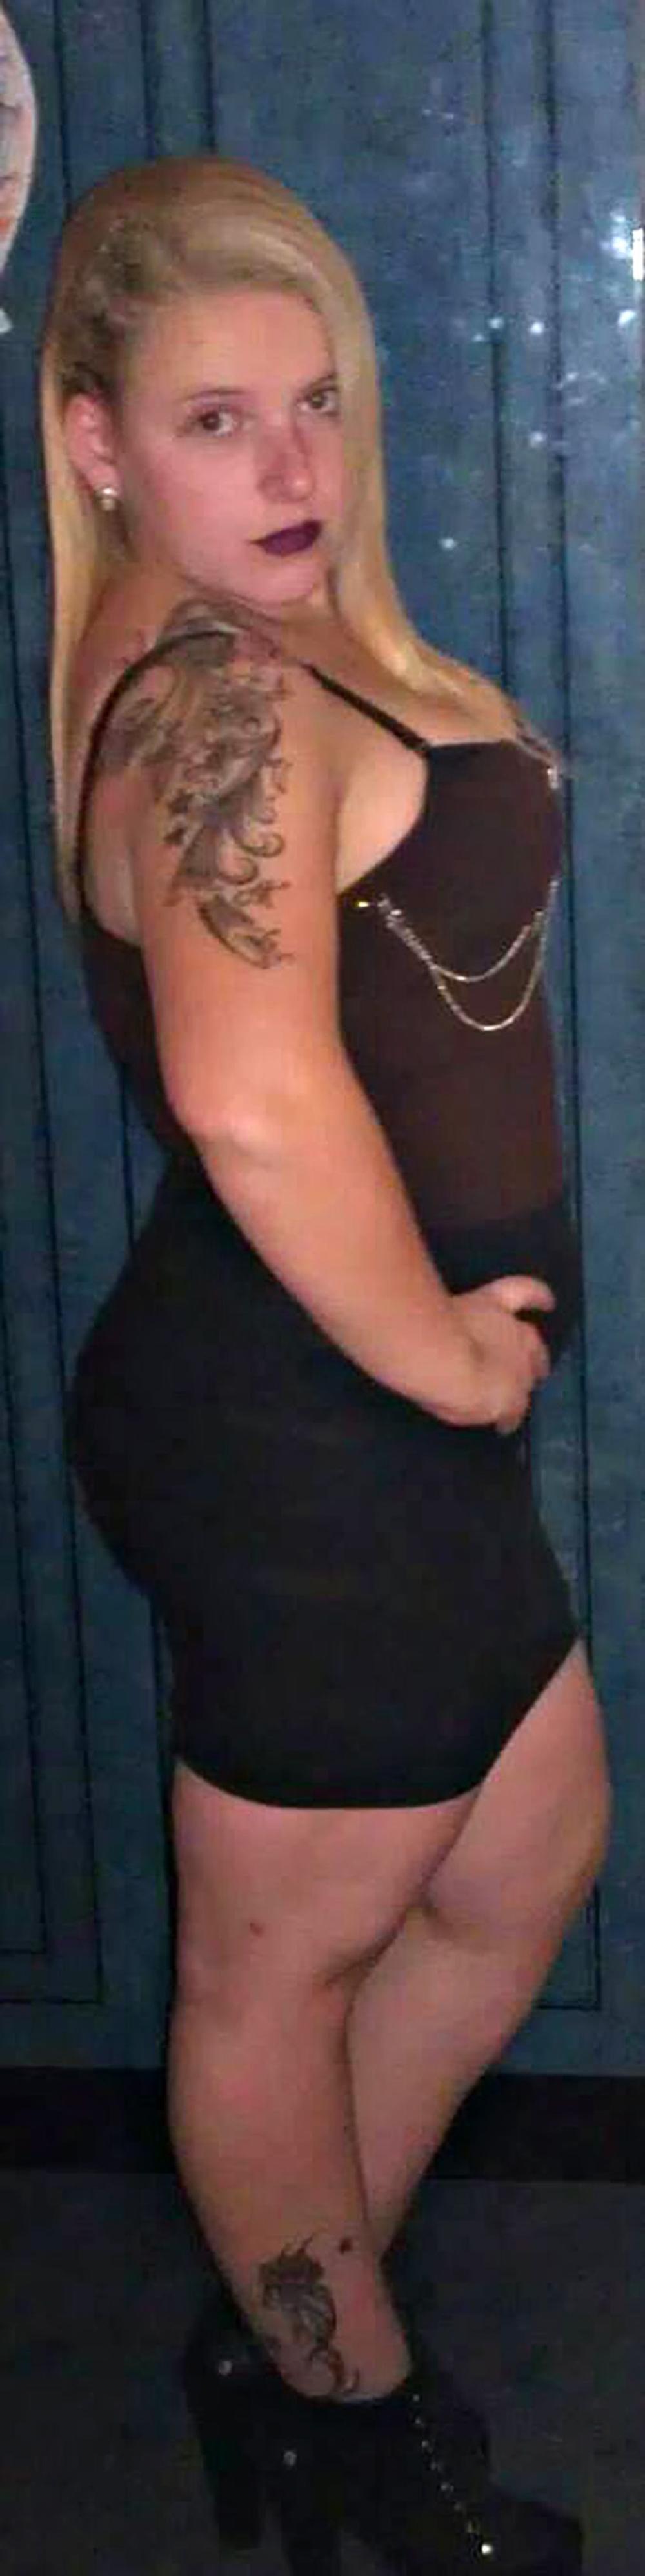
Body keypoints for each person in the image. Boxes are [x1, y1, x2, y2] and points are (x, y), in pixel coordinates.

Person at [41, 154, 609, 2572]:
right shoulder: (215, 700)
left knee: (526, 1852)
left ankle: (294, 2318)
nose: (291, 466)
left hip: (354, 1413)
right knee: (279, 1962)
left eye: (319, 405)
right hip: (311, 1426)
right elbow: (253, 1098)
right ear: (95, 446)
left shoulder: (249, 653)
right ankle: (356, 2433)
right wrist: (448, 1366)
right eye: (213, 420)